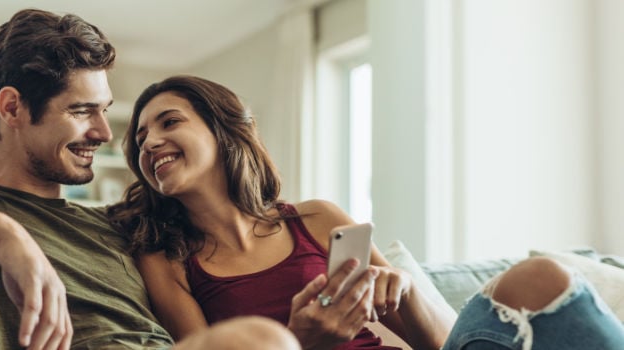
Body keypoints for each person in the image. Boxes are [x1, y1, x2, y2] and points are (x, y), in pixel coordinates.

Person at [107, 75, 624, 350]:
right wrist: (301, 342)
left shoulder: (314, 219)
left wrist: (401, 289)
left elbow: (436, 343)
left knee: (541, 277)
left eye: (168, 122)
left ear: (223, 132)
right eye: (141, 136)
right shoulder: (166, 257)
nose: (150, 141)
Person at [0, 9, 300, 350]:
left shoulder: (121, 225)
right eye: (81, 111)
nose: (105, 133)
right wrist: (2, 234)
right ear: (12, 108)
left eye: (104, 111)